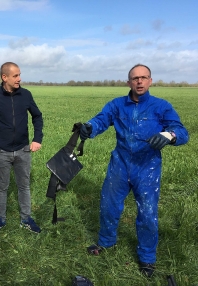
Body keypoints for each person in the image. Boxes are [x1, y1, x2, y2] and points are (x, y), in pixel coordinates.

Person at [80, 64, 189, 277]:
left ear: (150, 81)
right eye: (135, 78)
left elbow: (181, 131)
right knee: (108, 206)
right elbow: (102, 119)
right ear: (128, 82)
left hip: (147, 167)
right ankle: (106, 242)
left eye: (144, 77)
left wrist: (169, 136)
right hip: (119, 164)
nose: (139, 81)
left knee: (147, 214)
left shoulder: (161, 106)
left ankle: (147, 259)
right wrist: (89, 127)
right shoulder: (117, 105)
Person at [0, 62, 43, 233]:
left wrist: (37, 139)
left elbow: (37, 116)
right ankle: (0, 220)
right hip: (0, 151)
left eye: (20, 75)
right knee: (1, 187)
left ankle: (26, 219)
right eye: (15, 76)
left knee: (24, 186)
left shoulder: (26, 95)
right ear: (4, 77)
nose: (19, 79)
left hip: (23, 150)